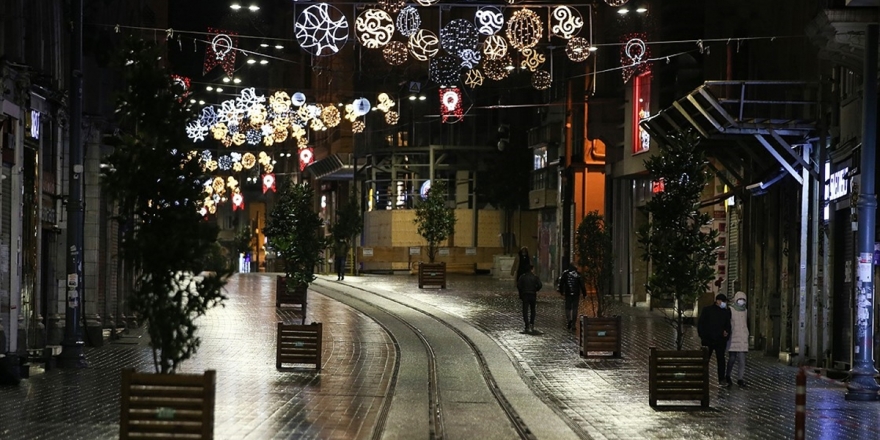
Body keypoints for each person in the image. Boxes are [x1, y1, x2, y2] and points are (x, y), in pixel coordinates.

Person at [698, 293, 732, 387]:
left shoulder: (725, 312)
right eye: (723, 301)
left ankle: (721, 379)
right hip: (708, 340)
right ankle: (702, 378)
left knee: (721, 360)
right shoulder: (707, 310)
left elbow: (728, 326)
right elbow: (701, 324)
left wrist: (726, 333)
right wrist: (703, 336)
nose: (724, 303)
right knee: (705, 360)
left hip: (720, 341)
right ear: (718, 301)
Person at [725, 291, 749, 388]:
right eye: (740, 299)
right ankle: (728, 375)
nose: (741, 301)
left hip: (743, 338)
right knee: (732, 359)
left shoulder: (745, 311)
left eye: (743, 300)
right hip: (733, 338)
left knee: (742, 360)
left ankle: (740, 378)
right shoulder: (731, 310)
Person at [558, 263, 586, 331]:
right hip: (576, 293)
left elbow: (561, 283)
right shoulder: (578, 274)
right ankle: (573, 324)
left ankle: (568, 320)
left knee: (568, 307)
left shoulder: (565, 273)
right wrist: (584, 293)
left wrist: (561, 291)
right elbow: (582, 284)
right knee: (575, 308)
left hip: (568, 293)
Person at [517, 266, 543, 334]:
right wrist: (535, 289)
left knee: (525, 310)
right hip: (532, 294)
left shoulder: (522, 277)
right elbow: (540, 285)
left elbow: (519, 286)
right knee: (532, 309)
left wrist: (522, 292)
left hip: (525, 294)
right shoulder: (535, 277)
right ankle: (532, 323)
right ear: (532, 269)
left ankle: (526, 324)